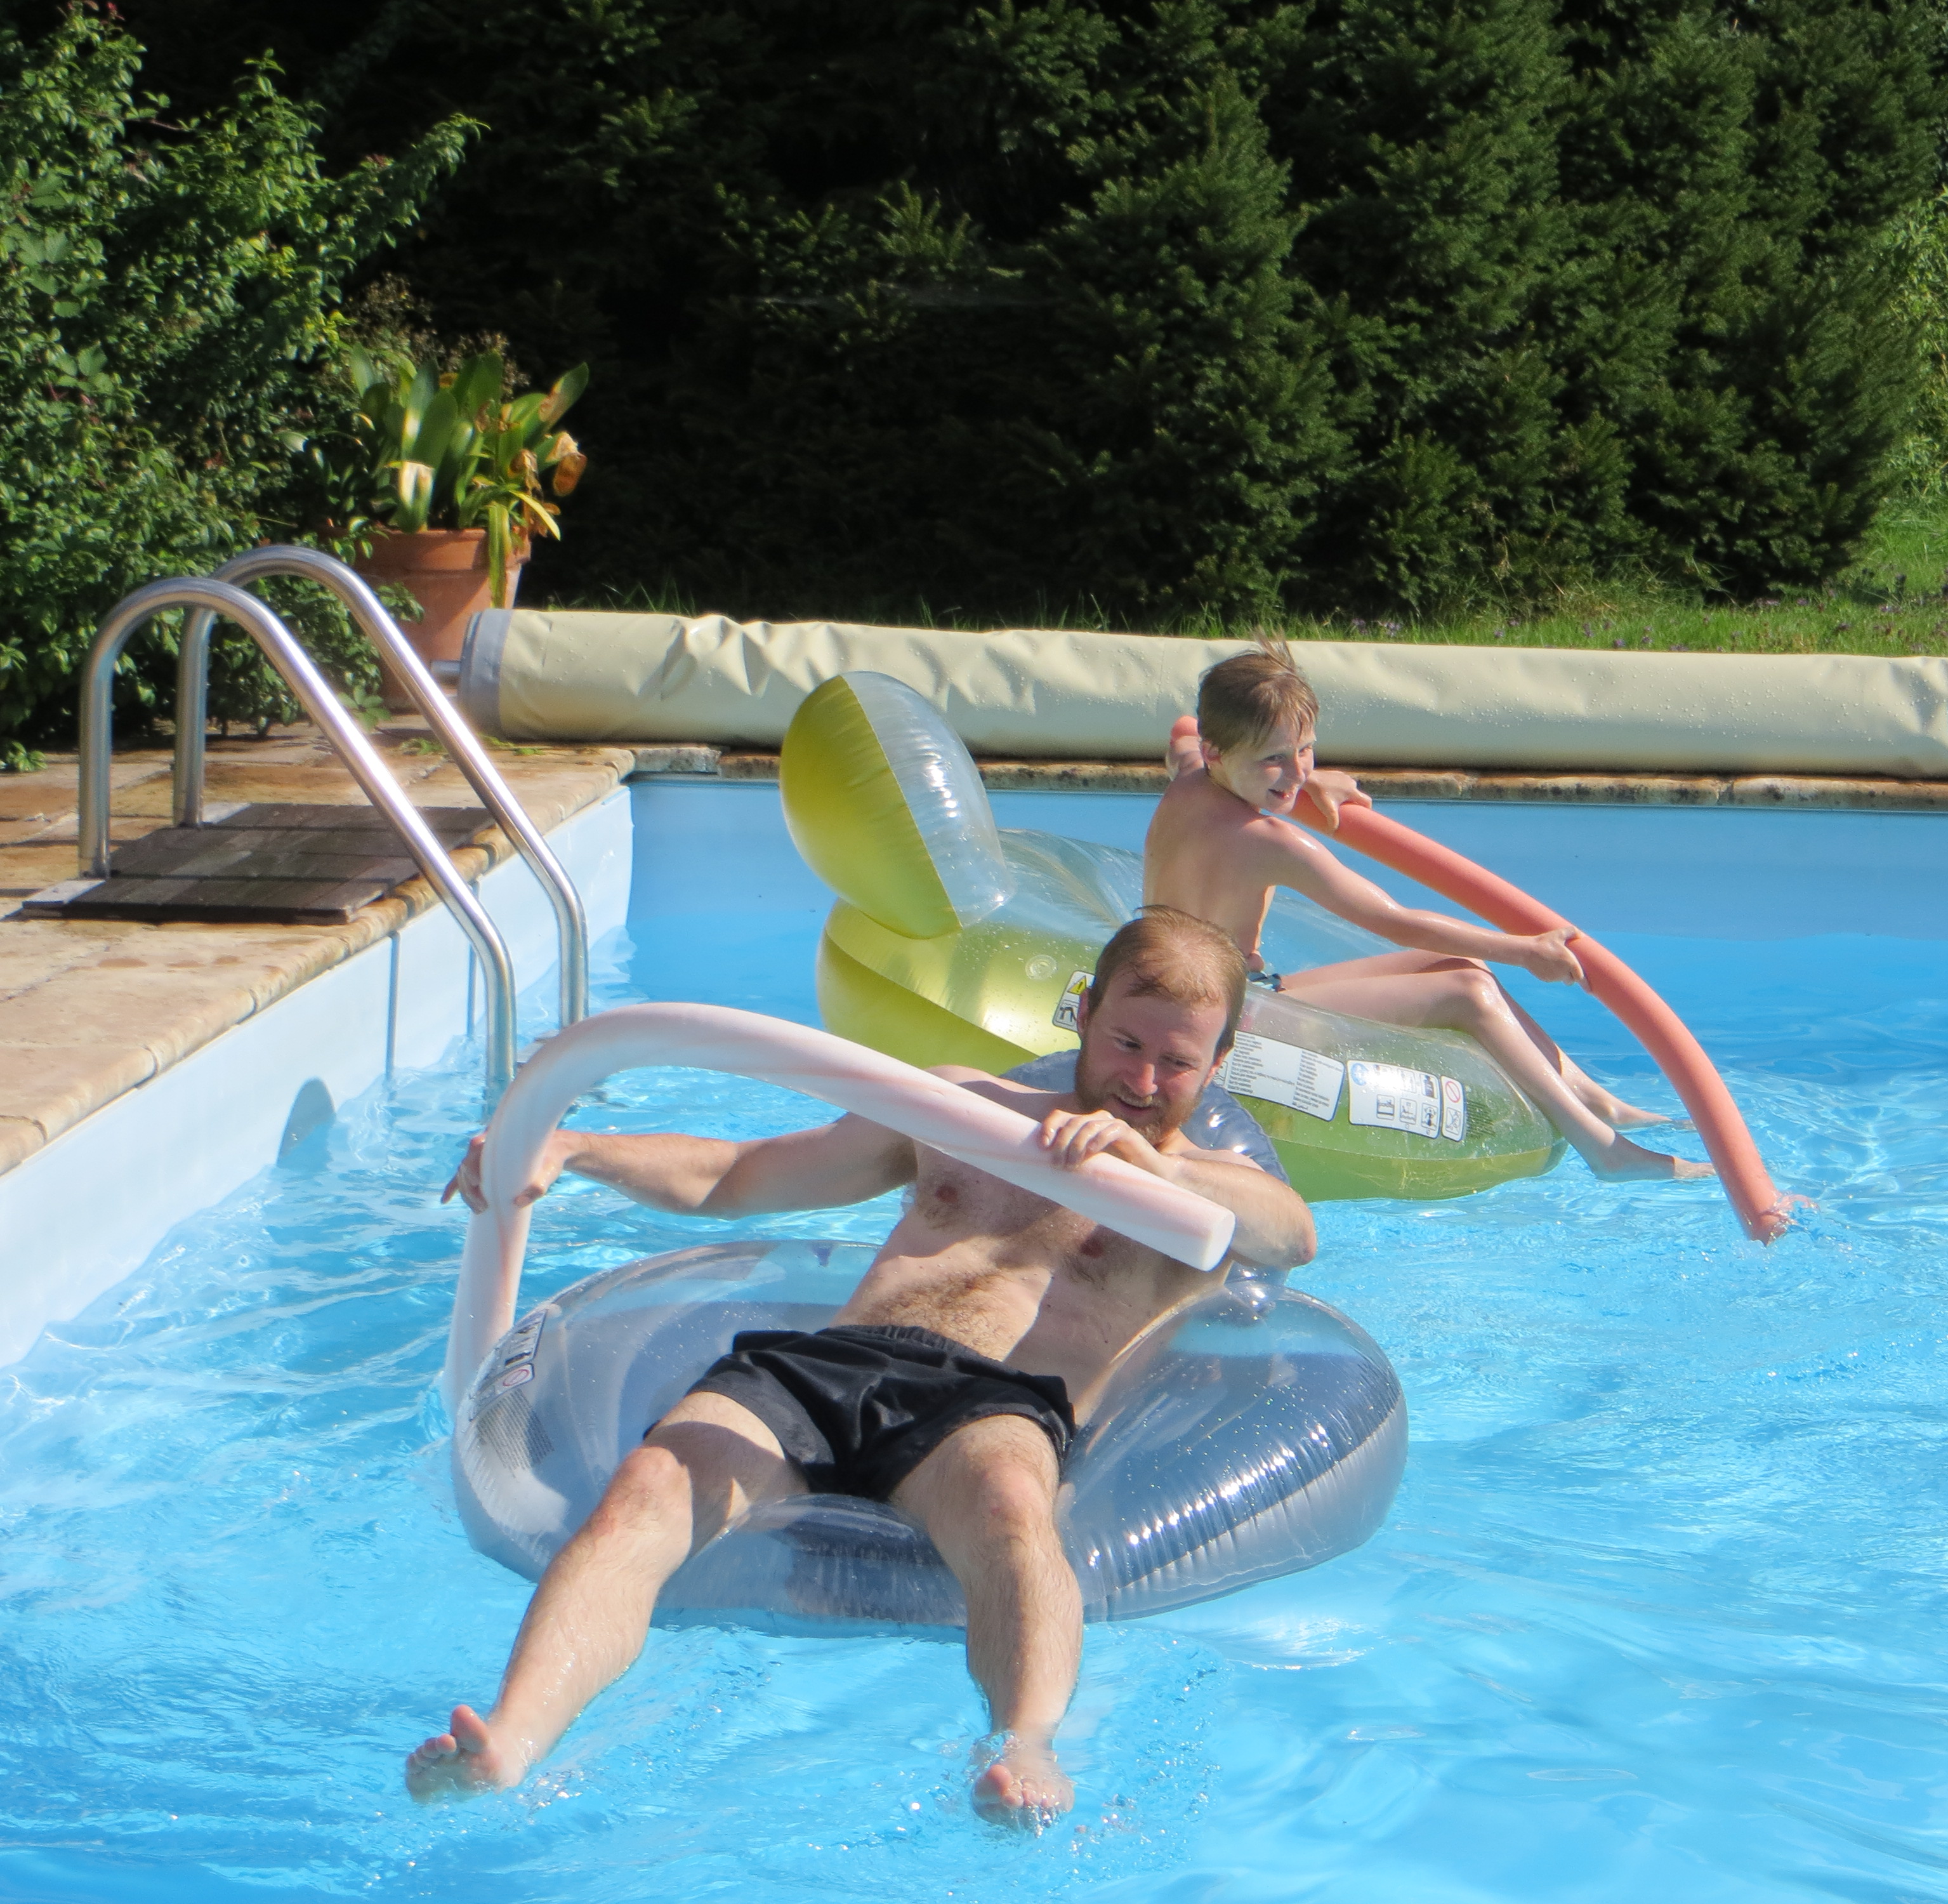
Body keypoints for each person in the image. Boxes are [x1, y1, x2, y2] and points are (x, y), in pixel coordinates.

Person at [407, 909, 1313, 1827]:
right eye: (1126, 1043)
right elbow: (742, 1173)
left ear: (1219, 1061)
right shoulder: (963, 1109)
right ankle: (511, 1740)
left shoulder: (1206, 1199)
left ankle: (1026, 1748)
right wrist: (571, 1149)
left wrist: (1158, 1170)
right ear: (1083, 1015)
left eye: (1177, 1062)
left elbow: (1294, 1236)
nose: (1144, 1081)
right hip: (833, 1364)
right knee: (651, 1483)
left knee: (1010, 1510)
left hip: (999, 1403)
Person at [1145, 638, 1708, 1182]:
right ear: (1220, 753)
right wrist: (1523, 951)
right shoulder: (1268, 843)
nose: (1295, 773)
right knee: (1468, 991)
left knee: (1463, 966)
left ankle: (1592, 1098)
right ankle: (1606, 1151)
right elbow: (1394, 920)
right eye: (1274, 760)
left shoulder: (1192, 773)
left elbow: (1181, 731)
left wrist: (1300, 772)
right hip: (1232, 1021)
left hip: (1205, 990)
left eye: (1306, 749)